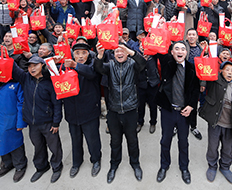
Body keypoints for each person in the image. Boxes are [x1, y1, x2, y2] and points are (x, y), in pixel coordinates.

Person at [94, 42, 146, 183]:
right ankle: (114, 165)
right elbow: (98, 68)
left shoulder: (132, 65)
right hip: (114, 111)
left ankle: (135, 164)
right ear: (113, 54)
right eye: (116, 51)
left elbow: (142, 63)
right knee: (115, 141)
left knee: (132, 140)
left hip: (130, 110)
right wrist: (99, 55)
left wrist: (130, 51)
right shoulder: (110, 65)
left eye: (122, 50)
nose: (119, 53)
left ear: (127, 52)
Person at [12, 55, 63, 183]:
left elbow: (57, 104)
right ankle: (41, 167)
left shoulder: (50, 81)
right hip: (32, 122)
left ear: (42, 66)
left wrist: (56, 122)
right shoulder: (25, 79)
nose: (32, 68)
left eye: (35, 65)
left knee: (54, 146)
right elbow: (12, 67)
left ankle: (56, 167)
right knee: (38, 146)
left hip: (48, 122)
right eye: (30, 66)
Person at [155, 41, 200, 185]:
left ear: (186, 53)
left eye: (183, 49)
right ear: (172, 52)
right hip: (168, 110)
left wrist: (191, 106)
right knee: (165, 140)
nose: (180, 51)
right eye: (177, 49)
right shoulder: (168, 64)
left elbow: (194, 90)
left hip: (183, 113)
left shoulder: (192, 69)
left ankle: (184, 168)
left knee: (183, 141)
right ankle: (164, 165)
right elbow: (158, 50)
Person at [199, 61, 232, 184]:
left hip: (230, 126)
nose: (230, 72)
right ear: (221, 72)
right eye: (227, 70)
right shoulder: (215, 83)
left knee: (227, 149)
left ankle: (225, 167)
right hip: (216, 123)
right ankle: (212, 165)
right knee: (212, 146)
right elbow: (205, 75)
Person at [61, 43, 102, 178]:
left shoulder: (93, 65)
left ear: (88, 54)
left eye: (83, 53)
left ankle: (96, 160)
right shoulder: (65, 66)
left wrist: (75, 66)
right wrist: (55, 62)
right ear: (72, 54)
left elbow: (92, 74)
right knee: (75, 140)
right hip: (72, 112)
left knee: (93, 140)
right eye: (77, 53)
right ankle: (76, 162)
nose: (80, 56)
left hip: (89, 112)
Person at [136, 43, 160, 134]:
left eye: (145, 46)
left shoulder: (153, 56)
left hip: (153, 84)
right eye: (141, 46)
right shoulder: (137, 56)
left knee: (153, 106)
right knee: (140, 106)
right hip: (141, 85)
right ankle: (140, 122)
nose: (143, 48)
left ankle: (153, 123)